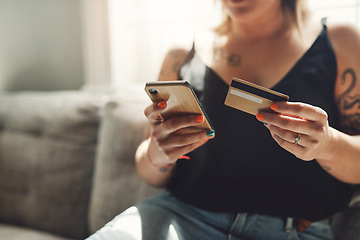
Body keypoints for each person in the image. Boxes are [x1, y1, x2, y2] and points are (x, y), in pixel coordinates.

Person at [88, 0, 360, 239]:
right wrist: (158, 153)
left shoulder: (340, 40)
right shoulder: (183, 53)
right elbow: (149, 168)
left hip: (292, 231)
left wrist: (327, 144)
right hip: (182, 217)